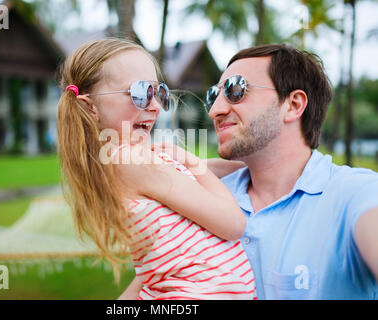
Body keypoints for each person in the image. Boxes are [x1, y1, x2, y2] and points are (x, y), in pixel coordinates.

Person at [56, 38, 256, 300]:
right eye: (140, 93)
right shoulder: (131, 160)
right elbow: (233, 224)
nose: (155, 105)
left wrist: (254, 162)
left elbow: (158, 264)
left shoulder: (116, 162)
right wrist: (190, 160)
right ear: (90, 107)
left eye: (158, 92)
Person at [203, 44, 377, 299]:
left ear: (293, 105)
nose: (214, 110)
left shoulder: (354, 195)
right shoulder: (209, 196)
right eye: (213, 95)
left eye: (235, 89)